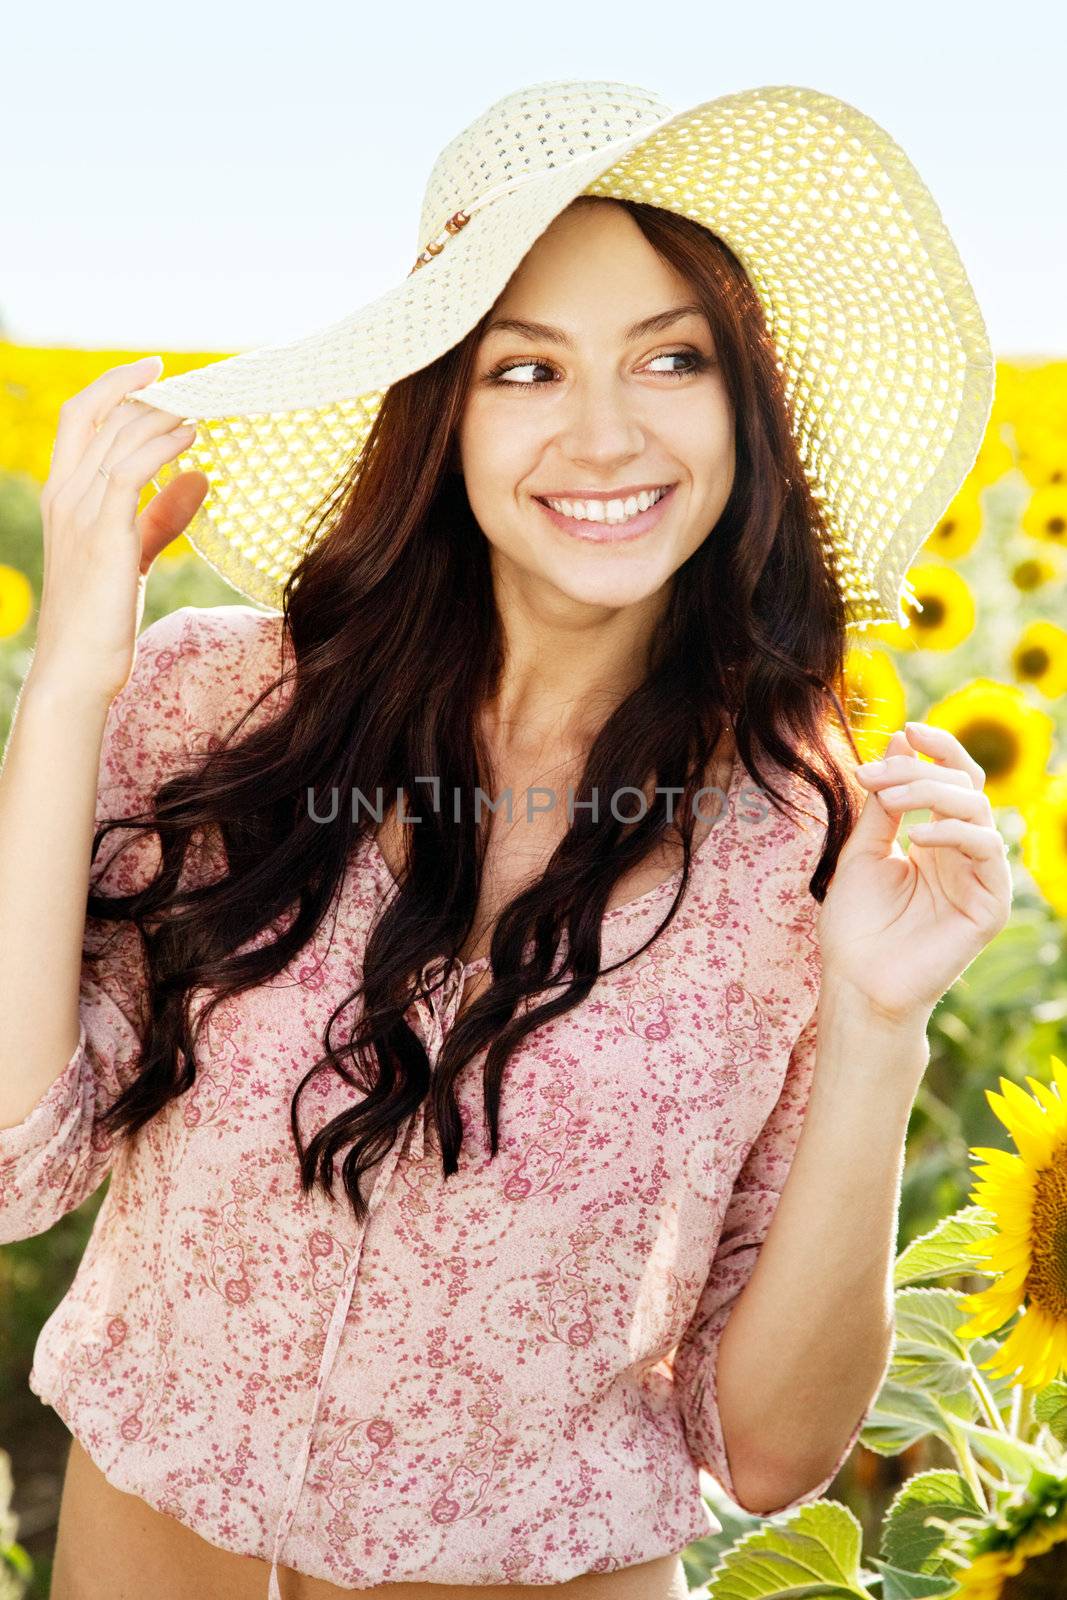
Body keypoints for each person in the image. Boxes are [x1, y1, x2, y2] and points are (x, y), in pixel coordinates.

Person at [0, 79, 1010, 1600]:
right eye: (524, 368)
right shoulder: (218, 702)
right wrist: (74, 679)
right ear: (442, 413)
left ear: (746, 406)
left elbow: (773, 1454)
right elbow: (16, 1162)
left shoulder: (811, 842)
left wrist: (882, 1022)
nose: (604, 434)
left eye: (671, 357)